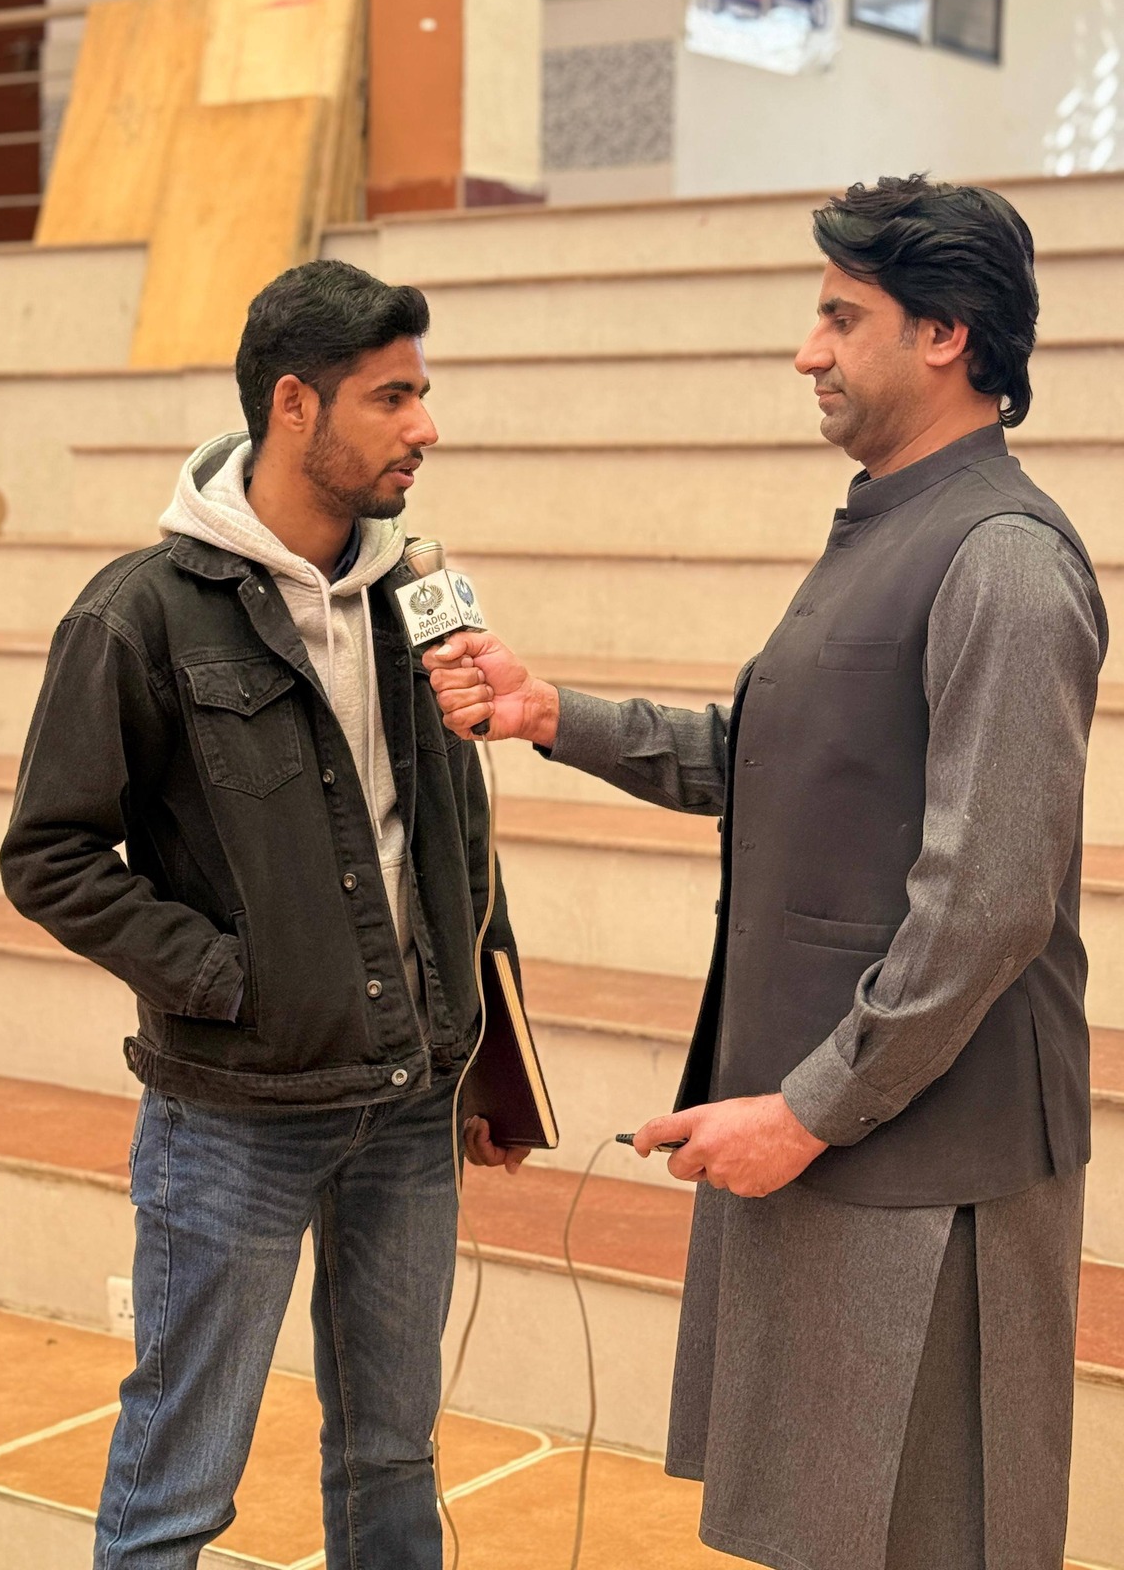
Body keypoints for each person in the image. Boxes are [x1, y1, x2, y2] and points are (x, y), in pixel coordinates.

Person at [425, 175, 1108, 1570]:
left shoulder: (1003, 560)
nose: (809, 351)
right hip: (845, 1132)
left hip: (928, 1164)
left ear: (945, 335)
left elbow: (987, 903)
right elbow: (772, 757)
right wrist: (551, 714)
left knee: (931, 1539)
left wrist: (807, 1111)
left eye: (841, 317)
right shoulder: (893, 524)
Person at [1, 260, 526, 1570]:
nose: (425, 426)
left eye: (422, 393)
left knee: (392, 1458)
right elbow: (49, 854)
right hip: (235, 1116)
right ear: (296, 405)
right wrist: (232, 981)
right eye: (392, 397)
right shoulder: (138, 614)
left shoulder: (418, 598)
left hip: (410, 1101)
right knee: (180, 1483)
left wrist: (488, 1050)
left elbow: (455, 831)